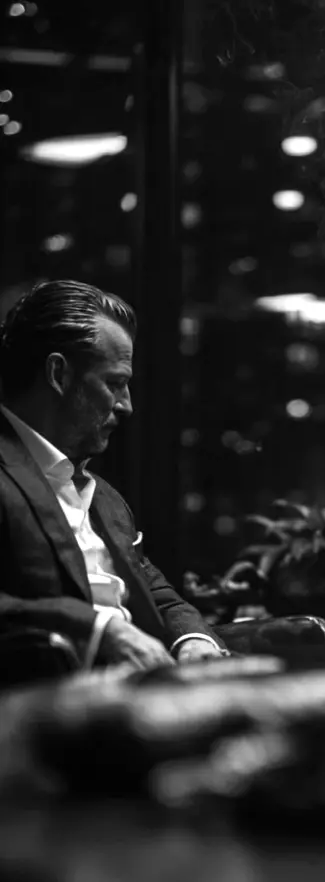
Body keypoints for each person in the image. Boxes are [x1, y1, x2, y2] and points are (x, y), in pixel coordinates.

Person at [0, 279, 229, 671]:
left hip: (146, 690)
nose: (127, 406)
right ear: (58, 374)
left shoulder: (104, 496)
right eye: (115, 383)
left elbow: (156, 591)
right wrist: (100, 630)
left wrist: (193, 639)